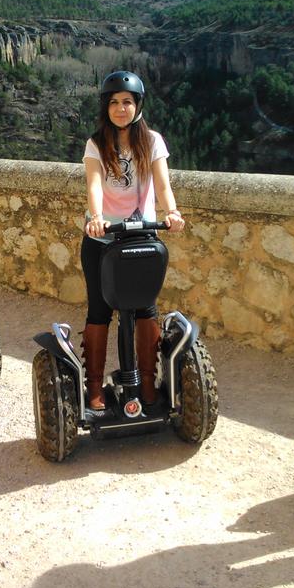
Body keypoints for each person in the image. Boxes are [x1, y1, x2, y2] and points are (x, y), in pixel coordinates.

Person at [81, 70, 185, 411]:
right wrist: (97, 217)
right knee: (99, 309)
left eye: (127, 101)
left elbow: (163, 184)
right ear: (106, 107)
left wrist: (172, 212)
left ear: (138, 105)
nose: (120, 108)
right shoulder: (96, 144)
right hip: (103, 238)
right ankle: (94, 387)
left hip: (142, 235)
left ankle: (148, 382)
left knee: (145, 307)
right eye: (114, 102)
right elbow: (94, 184)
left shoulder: (152, 141)